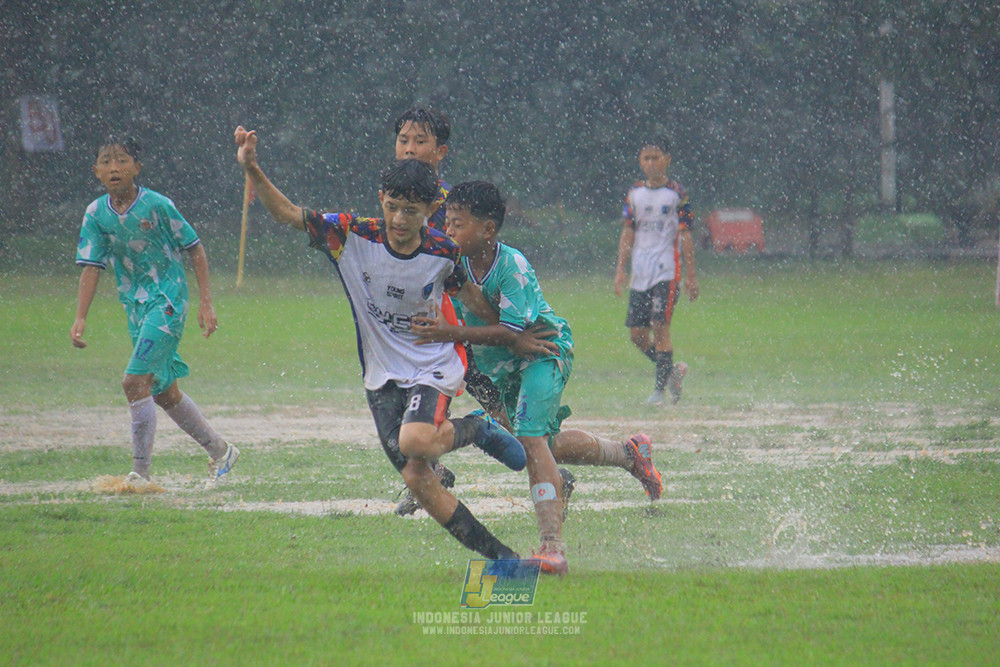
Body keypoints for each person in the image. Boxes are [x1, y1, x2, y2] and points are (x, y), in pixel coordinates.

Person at [234, 126, 534, 561]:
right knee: (418, 477)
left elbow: (470, 298)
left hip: (433, 364)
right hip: (380, 376)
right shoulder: (349, 235)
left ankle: (475, 429)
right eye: (392, 207)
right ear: (381, 199)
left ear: (431, 209)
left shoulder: (442, 252)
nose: (398, 220)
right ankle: (504, 559)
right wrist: (252, 168)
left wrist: (515, 334)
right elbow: (287, 213)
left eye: (410, 211)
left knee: (416, 443)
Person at [414, 181, 665, 576]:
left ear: (488, 230)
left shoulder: (511, 265)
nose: (448, 232)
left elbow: (513, 335)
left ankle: (552, 547)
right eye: (447, 223)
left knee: (531, 440)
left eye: (457, 225)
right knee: (540, 444)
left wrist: (448, 333)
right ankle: (629, 453)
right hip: (502, 367)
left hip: (543, 353)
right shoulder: (453, 262)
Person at [389, 105, 543, 517]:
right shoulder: (394, 197)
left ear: (440, 152)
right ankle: (431, 474)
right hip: (419, 326)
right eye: (403, 140)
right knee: (409, 405)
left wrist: (508, 332)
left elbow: (467, 280)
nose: (409, 149)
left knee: (492, 406)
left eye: (419, 141)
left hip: (456, 329)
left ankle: (548, 474)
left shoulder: (452, 207)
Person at [72, 135, 239, 487]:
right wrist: (80, 316)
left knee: (133, 381)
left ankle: (140, 475)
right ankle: (221, 451)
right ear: (96, 171)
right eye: (106, 161)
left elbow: (194, 248)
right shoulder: (95, 214)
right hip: (135, 307)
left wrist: (206, 303)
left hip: (167, 303)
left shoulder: (158, 205)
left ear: (137, 167)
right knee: (164, 392)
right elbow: (91, 266)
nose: (114, 167)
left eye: (122, 160)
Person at [614, 136, 699, 406]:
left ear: (667, 160)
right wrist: (620, 269)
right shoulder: (634, 193)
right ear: (640, 162)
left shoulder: (677, 195)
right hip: (640, 272)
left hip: (667, 270)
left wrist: (691, 275)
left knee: (660, 326)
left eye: (656, 157)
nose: (651, 163)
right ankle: (672, 372)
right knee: (637, 335)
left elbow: (686, 236)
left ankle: (659, 392)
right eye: (645, 158)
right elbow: (628, 231)